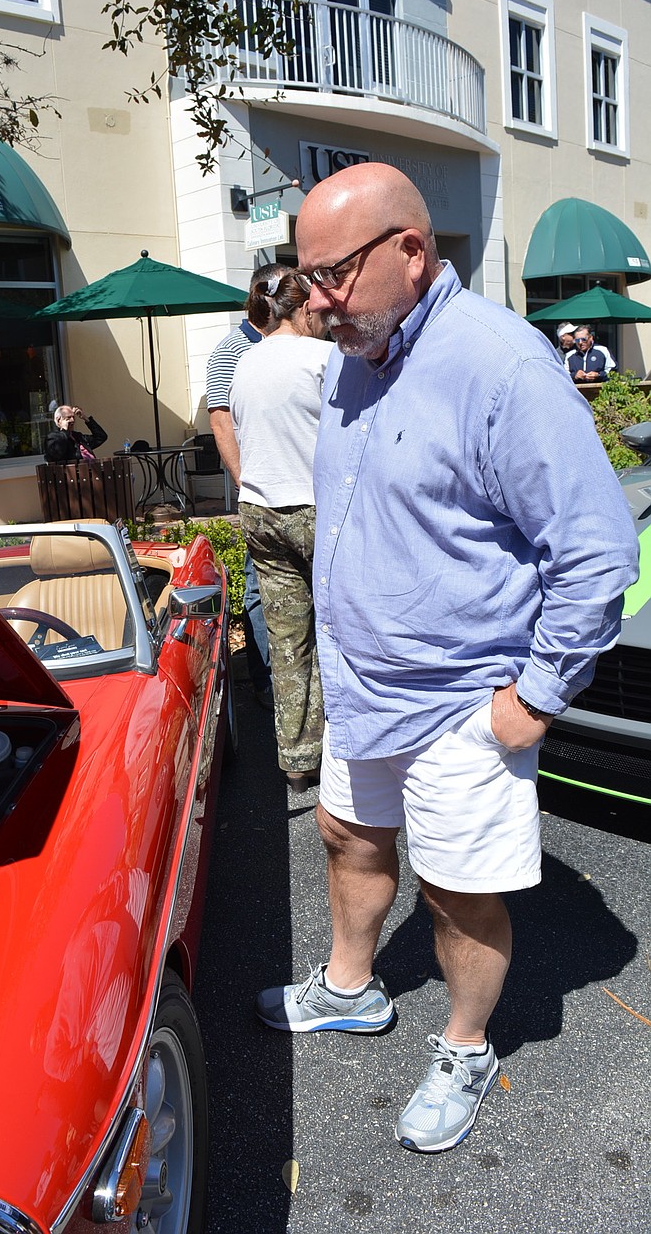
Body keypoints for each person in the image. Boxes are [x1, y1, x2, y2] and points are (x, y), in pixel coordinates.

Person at [255, 163, 638, 1154]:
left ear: (412, 252)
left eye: (331, 273)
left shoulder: (501, 365)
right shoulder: (359, 350)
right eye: (303, 278)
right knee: (345, 834)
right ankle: (348, 989)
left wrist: (537, 695)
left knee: (458, 889)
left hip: (464, 698)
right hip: (365, 683)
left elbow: (595, 549)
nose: (315, 299)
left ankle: (466, 1043)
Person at [230, 270, 332, 791]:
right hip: (314, 508)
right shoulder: (323, 359)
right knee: (342, 631)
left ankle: (296, 757)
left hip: (258, 509)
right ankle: (353, 749)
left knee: (287, 638)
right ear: (302, 308)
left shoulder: (244, 363)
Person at [206, 261, 288, 711]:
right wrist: (247, 485)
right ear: (267, 296)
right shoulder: (231, 351)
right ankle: (268, 683)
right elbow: (221, 422)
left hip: (298, 490)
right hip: (262, 493)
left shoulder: (299, 344)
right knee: (259, 589)